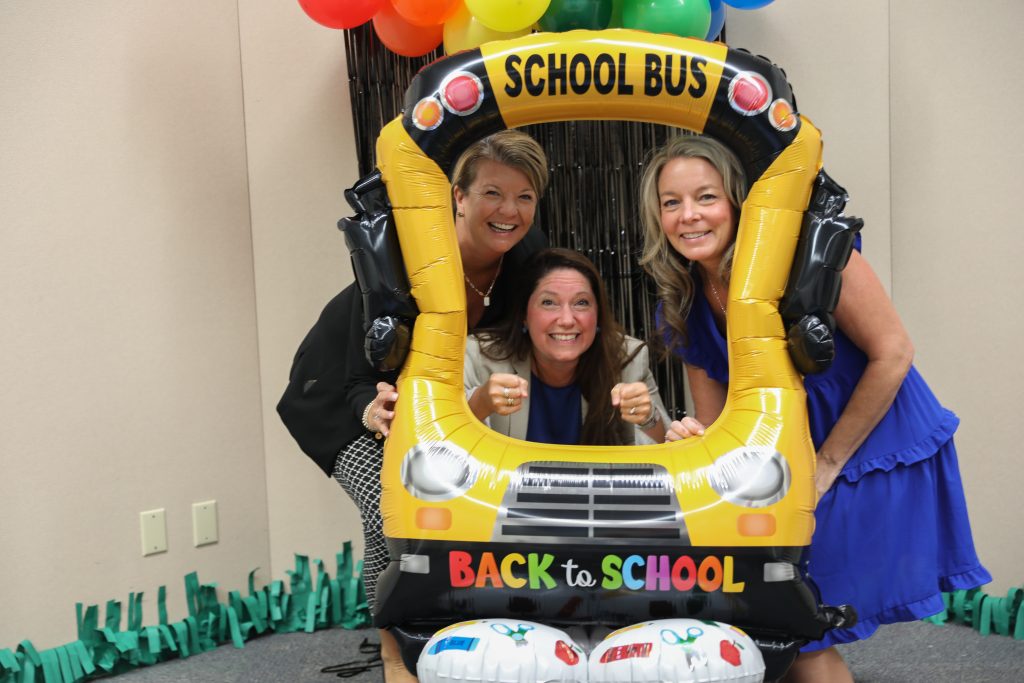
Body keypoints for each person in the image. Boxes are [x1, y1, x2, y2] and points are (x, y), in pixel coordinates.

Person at [638, 135, 990, 682]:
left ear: (736, 200)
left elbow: (894, 352)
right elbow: (720, 423)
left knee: (798, 622)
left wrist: (826, 463)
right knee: (781, 620)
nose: (689, 216)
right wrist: (693, 441)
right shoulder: (681, 296)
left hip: (868, 446)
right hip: (791, 461)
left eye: (705, 197)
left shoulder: (811, 252)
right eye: (671, 203)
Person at [277, 130, 549, 683]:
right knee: (389, 503)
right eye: (493, 193)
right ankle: (392, 653)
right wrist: (369, 412)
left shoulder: (525, 255)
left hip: (434, 398)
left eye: (525, 197)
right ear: (459, 196)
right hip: (340, 395)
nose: (509, 211)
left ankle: (456, 624)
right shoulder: (408, 254)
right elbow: (359, 374)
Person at [466, 248, 667, 446]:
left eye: (581, 302)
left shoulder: (627, 359)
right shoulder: (481, 357)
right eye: (549, 302)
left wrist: (648, 417)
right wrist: (481, 402)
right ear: (524, 316)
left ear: (598, 315)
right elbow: (440, 445)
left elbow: (668, 451)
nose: (567, 320)